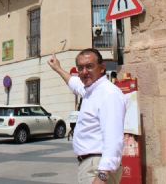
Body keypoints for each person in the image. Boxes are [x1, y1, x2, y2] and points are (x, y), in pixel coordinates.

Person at [48, 49, 126, 184]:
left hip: (98, 167)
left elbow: (113, 138)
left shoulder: (109, 94)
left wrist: (102, 175)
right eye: (80, 68)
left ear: (102, 68)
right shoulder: (90, 90)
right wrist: (58, 68)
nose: (84, 72)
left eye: (89, 66)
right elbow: (75, 83)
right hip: (91, 165)